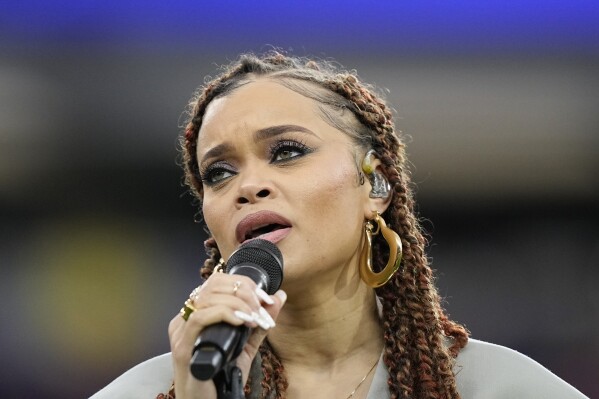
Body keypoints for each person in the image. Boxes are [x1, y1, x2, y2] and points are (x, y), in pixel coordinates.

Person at [91, 52, 588, 399]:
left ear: (374, 186)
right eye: (219, 173)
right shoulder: (144, 394)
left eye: (287, 151)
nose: (247, 186)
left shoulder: (500, 389)